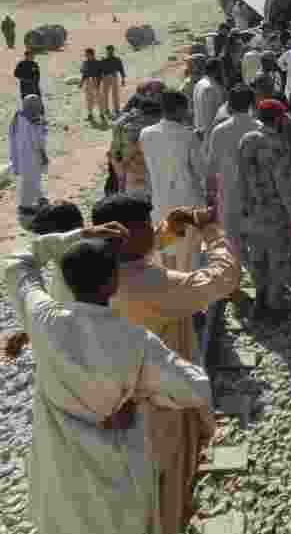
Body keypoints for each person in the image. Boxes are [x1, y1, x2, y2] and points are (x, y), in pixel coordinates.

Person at [3, 224, 213, 534]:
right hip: (116, 477)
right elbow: (196, 388)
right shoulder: (134, 341)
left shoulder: (43, 318)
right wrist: (141, 396)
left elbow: (16, 262)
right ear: (114, 282)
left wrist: (76, 235)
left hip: (57, 473)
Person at [92, 195, 240, 534]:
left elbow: (140, 247)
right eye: (146, 225)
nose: (152, 230)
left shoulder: (95, 269)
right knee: (169, 488)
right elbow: (223, 277)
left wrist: (168, 232)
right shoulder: (149, 285)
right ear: (127, 233)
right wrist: (211, 232)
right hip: (160, 407)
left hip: (120, 401)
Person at [238, 99, 291, 318]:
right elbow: (285, 184)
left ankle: (260, 300)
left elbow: (240, 177)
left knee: (257, 259)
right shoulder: (277, 143)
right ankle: (275, 305)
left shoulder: (246, 140)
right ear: (278, 119)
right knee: (277, 260)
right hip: (274, 213)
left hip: (251, 212)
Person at [139, 90, 206, 272]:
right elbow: (201, 171)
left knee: (167, 251)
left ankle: (170, 291)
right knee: (189, 254)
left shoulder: (145, 134)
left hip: (160, 201)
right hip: (187, 203)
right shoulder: (187, 135)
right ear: (179, 110)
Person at [205, 84, 258, 256]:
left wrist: (210, 193)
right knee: (256, 231)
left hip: (228, 189)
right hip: (256, 189)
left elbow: (211, 165)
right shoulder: (260, 128)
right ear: (252, 104)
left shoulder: (219, 131)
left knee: (231, 237)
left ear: (230, 105)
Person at [110, 94, 162, 196]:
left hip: (132, 177)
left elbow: (117, 156)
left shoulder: (127, 128)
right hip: (140, 179)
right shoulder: (140, 131)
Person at [9, 94, 48, 217]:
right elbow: (37, 141)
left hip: (22, 154)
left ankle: (40, 197)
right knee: (29, 181)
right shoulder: (32, 121)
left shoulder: (19, 116)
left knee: (32, 179)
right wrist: (43, 155)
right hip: (31, 155)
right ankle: (25, 206)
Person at [193, 57, 228, 141]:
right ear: (216, 71)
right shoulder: (210, 88)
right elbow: (210, 116)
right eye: (222, 70)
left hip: (201, 131)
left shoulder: (200, 83)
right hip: (209, 135)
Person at [100, 45, 127, 118]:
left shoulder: (117, 59)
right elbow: (100, 71)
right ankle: (106, 109)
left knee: (115, 94)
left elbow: (121, 70)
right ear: (106, 51)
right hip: (105, 77)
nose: (110, 52)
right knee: (105, 94)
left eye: (111, 50)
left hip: (114, 76)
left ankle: (116, 109)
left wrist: (123, 79)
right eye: (108, 50)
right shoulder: (103, 60)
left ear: (113, 51)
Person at [81, 47, 105, 123]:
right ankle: (90, 114)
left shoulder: (98, 63)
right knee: (89, 99)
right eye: (85, 55)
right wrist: (81, 82)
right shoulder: (85, 63)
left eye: (87, 54)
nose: (86, 56)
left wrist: (98, 83)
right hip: (88, 81)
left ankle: (101, 114)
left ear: (92, 55)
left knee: (99, 99)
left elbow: (101, 74)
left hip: (96, 81)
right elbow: (84, 73)